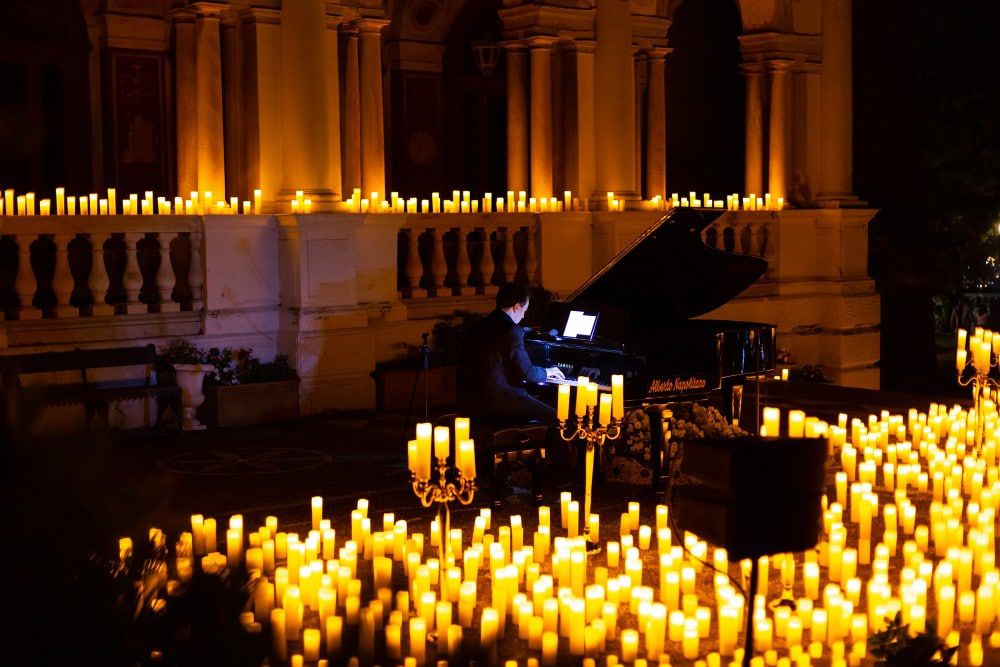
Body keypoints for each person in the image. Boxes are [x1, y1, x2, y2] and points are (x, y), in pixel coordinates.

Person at [460, 282, 565, 422]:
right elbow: (527, 372)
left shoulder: (479, 325)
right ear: (516, 307)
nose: (523, 317)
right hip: (503, 400)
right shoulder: (511, 330)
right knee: (559, 417)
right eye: (524, 311)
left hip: (475, 398)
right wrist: (548, 372)